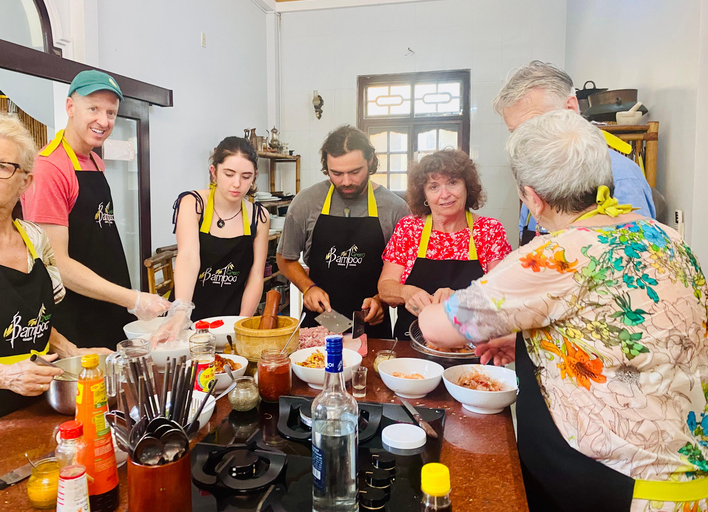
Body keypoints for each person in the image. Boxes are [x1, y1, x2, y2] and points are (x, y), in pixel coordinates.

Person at [420, 110, 708, 511]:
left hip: (617, 485)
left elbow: (438, 328)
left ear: (534, 198)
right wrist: (528, 342)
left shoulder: (557, 254)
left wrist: (431, 307)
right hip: (685, 484)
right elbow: (618, 333)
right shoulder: (665, 236)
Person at [0, 113, 108, 445]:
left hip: (39, 408)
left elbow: (36, 320)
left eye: (1, 166)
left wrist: (74, 355)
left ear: (26, 182)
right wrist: (1, 375)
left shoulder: (34, 238)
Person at [22, 70, 169, 350]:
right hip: (76, 318)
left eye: (111, 113)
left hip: (108, 306)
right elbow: (58, 264)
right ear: (70, 107)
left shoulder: (94, 162)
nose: (103, 121)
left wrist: (127, 300)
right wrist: (134, 299)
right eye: (93, 109)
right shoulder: (49, 168)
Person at [493, 60, 656, 246]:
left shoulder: (621, 177)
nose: (524, 144)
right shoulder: (532, 178)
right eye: (516, 133)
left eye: (533, 126)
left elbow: (636, 257)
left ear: (570, 108)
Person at [277, 125, 410, 338]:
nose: (346, 181)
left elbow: (406, 270)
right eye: (336, 173)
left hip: (371, 326)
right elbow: (285, 258)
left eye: (355, 172)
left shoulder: (396, 208)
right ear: (326, 166)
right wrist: (308, 288)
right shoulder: (306, 202)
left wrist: (382, 301)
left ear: (370, 161)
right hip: (319, 324)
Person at [377, 149, 511, 340]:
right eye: (434, 187)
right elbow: (385, 287)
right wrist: (405, 292)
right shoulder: (409, 228)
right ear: (423, 194)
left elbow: (503, 294)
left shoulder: (489, 230)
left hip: (472, 346)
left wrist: (462, 300)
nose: (445, 194)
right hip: (412, 344)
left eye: (453, 182)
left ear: (467, 186)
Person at [153, 137, 269, 342]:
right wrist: (181, 312)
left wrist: (241, 324)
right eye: (229, 174)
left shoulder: (259, 217)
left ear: (254, 177)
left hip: (230, 319)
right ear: (214, 171)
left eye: (246, 176)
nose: (237, 184)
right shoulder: (194, 203)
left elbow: (256, 275)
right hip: (188, 315)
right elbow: (188, 257)